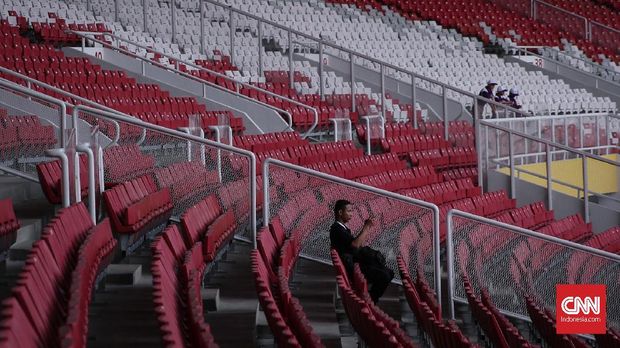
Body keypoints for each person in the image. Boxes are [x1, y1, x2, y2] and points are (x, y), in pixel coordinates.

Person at [330, 199, 394, 303]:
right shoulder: (337, 229)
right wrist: (366, 227)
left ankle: (370, 299)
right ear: (340, 212)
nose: (351, 214)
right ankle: (370, 301)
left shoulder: (341, 228)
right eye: (349, 211)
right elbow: (355, 245)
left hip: (355, 264)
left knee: (389, 273)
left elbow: (356, 244)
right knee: (385, 275)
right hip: (354, 267)